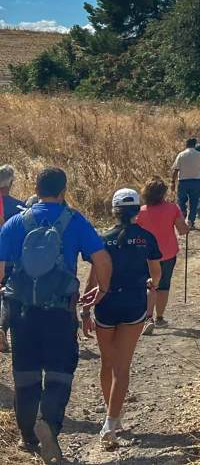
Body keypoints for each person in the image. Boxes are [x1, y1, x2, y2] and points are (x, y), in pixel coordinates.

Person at [0, 166, 112, 459]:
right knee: (60, 372)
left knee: (25, 375)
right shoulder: (74, 220)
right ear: (63, 191)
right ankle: (48, 424)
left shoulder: (15, 223)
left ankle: (27, 437)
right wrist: (101, 290)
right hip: (60, 311)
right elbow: (102, 260)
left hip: (22, 312)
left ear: (36, 190)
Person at [87, 188, 161, 446]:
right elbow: (156, 273)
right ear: (137, 210)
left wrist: (85, 309)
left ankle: (113, 414)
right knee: (122, 367)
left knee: (107, 363)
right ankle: (111, 422)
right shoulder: (146, 238)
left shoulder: (102, 238)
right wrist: (152, 285)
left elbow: (94, 277)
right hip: (133, 304)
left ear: (114, 211)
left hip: (106, 304)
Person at [134, 178, 187, 333]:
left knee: (149, 284)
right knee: (163, 285)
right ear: (163, 193)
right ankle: (160, 318)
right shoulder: (172, 208)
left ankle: (147, 317)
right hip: (168, 253)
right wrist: (187, 227)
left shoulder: (141, 212)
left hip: (146, 255)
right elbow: (182, 230)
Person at [0, 166, 25, 353]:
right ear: (11, 183)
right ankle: (3, 328)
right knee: (8, 295)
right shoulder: (20, 207)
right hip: (11, 260)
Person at [171, 138, 200, 228]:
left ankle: (183, 213)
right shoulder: (199, 154)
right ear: (195, 145)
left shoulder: (181, 155)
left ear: (186, 144)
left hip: (183, 182)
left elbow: (176, 170)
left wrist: (173, 182)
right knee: (194, 202)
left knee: (181, 200)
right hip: (195, 182)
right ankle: (191, 220)